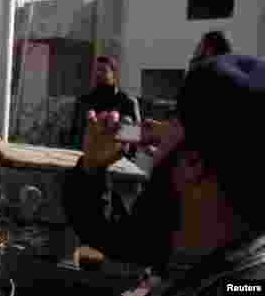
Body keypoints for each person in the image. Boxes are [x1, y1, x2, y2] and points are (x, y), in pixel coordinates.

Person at [63, 55, 265, 295]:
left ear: (192, 162)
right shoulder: (202, 242)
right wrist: (92, 167)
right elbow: (117, 238)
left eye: (171, 120)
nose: (152, 127)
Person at [68, 55, 141, 150]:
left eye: (103, 70)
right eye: (96, 70)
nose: (98, 73)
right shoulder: (83, 101)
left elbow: (135, 138)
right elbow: (74, 135)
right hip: (86, 155)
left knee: (125, 120)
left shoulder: (128, 101)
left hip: (117, 157)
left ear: (113, 73)